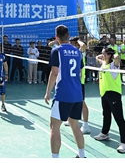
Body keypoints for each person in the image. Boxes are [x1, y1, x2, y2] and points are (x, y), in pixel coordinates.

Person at [45, 25, 86, 159]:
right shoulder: (78, 52)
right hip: (77, 94)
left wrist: (48, 92)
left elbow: (54, 73)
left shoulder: (57, 51)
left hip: (63, 94)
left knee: (54, 126)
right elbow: (79, 73)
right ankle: (82, 155)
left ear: (56, 37)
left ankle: (55, 158)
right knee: (75, 125)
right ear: (68, 36)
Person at [94, 47, 125, 153]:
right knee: (106, 115)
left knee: (119, 118)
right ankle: (104, 133)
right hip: (104, 93)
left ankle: (124, 143)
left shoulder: (114, 65)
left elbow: (117, 58)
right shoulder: (104, 63)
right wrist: (103, 56)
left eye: (104, 54)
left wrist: (113, 55)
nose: (102, 55)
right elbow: (97, 58)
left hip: (114, 94)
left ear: (109, 55)